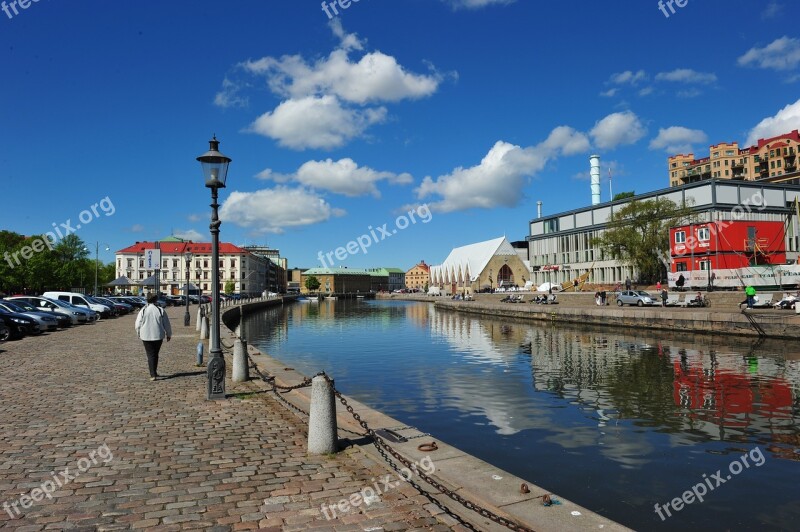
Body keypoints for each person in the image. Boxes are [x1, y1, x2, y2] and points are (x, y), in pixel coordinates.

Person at [135, 293, 172, 381]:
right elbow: (166, 323)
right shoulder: (160, 310)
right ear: (156, 300)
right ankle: (154, 372)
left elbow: (137, 324)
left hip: (146, 335)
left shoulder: (143, 310)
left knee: (150, 355)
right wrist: (169, 334)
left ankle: (153, 374)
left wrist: (138, 333)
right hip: (158, 335)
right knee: (155, 354)